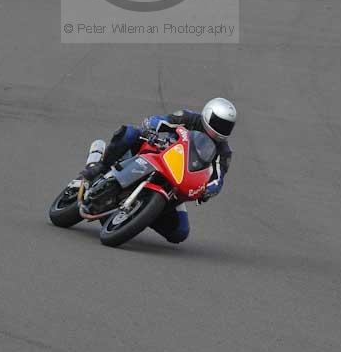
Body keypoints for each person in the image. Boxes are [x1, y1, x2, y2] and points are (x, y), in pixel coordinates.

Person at [80, 97, 236, 244]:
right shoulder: (189, 118)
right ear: (208, 115)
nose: (220, 129)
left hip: (176, 180)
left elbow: (217, 178)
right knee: (130, 133)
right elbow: (161, 121)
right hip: (158, 154)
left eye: (226, 126)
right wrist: (151, 127)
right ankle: (101, 165)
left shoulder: (224, 152)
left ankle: (142, 214)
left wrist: (207, 190)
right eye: (218, 122)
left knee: (179, 232)